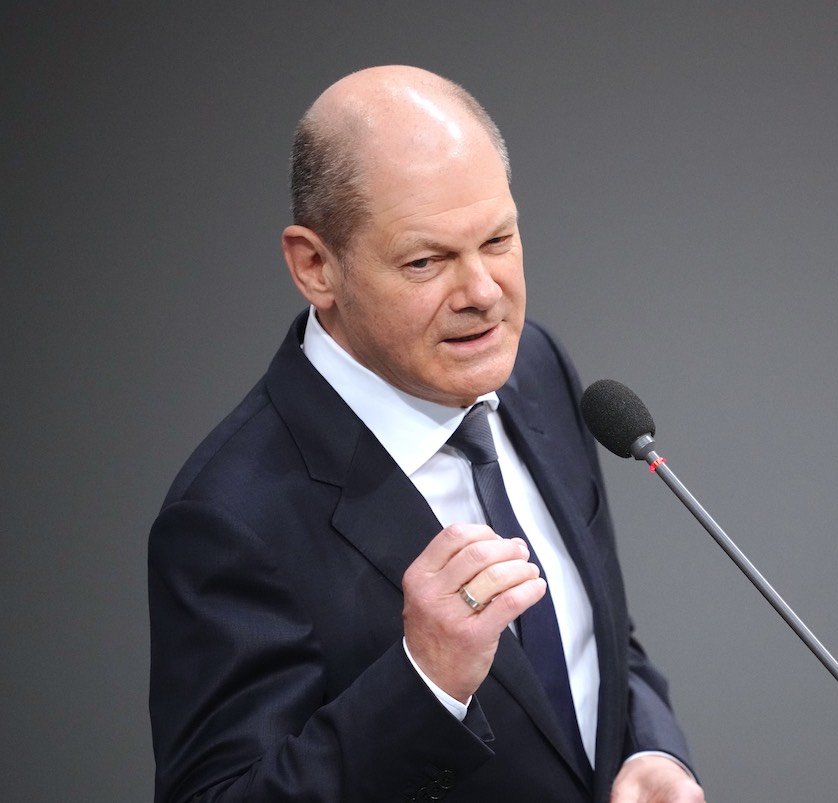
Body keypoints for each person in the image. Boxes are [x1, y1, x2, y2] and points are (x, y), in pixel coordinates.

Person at [147, 65, 705, 803]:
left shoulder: (536, 368)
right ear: (315, 266)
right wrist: (424, 681)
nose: (482, 293)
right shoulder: (230, 517)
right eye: (426, 260)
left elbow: (600, 638)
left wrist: (652, 749)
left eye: (498, 239)